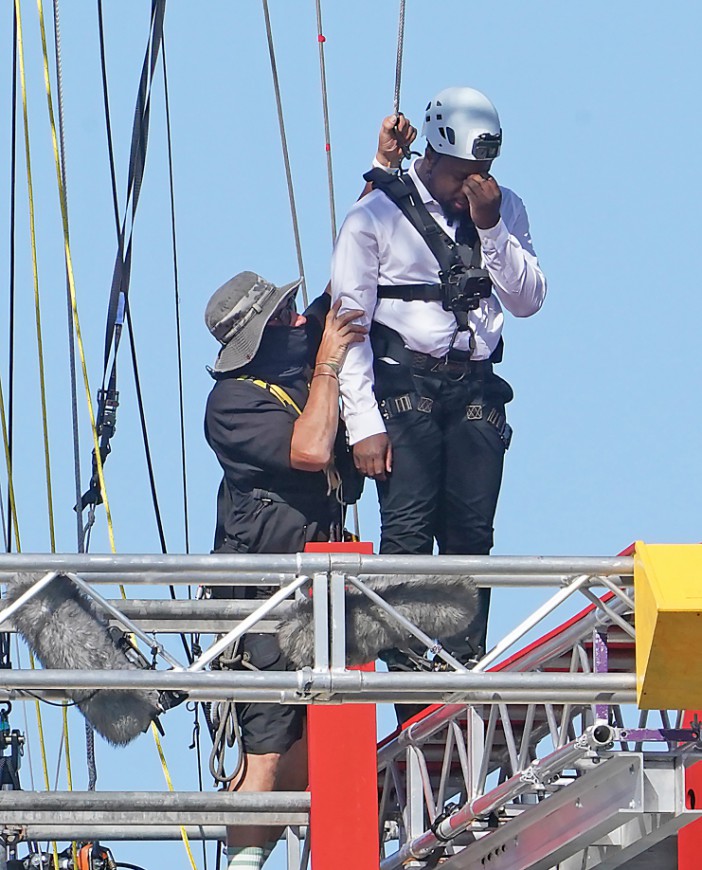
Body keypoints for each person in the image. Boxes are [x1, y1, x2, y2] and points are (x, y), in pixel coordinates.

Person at [331, 87, 547, 664]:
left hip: (475, 388)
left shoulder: (505, 209)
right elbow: (348, 323)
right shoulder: (375, 215)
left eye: (485, 171)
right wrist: (362, 424)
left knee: (471, 538)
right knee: (408, 537)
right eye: (463, 173)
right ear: (433, 154)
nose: (474, 183)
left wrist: (492, 226)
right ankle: (409, 683)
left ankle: (461, 672)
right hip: (404, 391)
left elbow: (527, 300)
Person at [204, 271, 365, 869]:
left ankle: (277, 854)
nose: (302, 322)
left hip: (318, 587)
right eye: (287, 317)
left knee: (312, 738)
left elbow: (348, 272)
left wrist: (381, 189)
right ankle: (245, 863)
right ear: (260, 337)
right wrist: (326, 366)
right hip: (262, 597)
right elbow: (311, 450)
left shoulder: (289, 381)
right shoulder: (235, 402)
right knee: (268, 744)